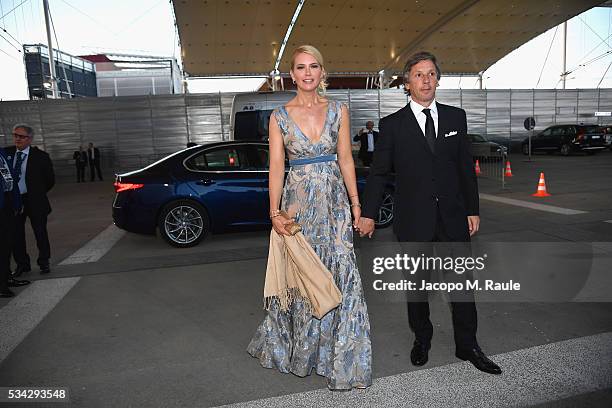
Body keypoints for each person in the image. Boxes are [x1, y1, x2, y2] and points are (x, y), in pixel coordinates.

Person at [358, 51, 501, 375]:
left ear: (438, 79)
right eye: (419, 75)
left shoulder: (455, 118)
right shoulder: (392, 126)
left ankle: (468, 345)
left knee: (462, 286)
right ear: (407, 83)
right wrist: (368, 214)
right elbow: (379, 173)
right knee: (417, 288)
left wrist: (472, 209)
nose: (426, 80)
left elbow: (465, 168)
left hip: (453, 218)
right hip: (413, 221)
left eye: (431, 74)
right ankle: (422, 338)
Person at [247, 45, 372, 390]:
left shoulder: (339, 111)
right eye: (301, 67)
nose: (307, 72)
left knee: (343, 274)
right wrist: (274, 212)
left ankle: (346, 359)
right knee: (306, 279)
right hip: (298, 207)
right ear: (292, 74)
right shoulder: (279, 117)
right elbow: (276, 166)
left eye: (314, 66)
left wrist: (356, 204)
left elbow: (346, 159)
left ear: (322, 72)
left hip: (335, 207)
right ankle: (306, 352)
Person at [6, 124, 55, 276]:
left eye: (21, 136)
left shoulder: (41, 157)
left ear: (30, 138)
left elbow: (49, 180)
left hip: (35, 201)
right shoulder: (6, 154)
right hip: (14, 201)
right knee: (16, 234)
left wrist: (37, 193)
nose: (17, 139)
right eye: (15, 135)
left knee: (40, 232)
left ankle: (44, 262)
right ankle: (22, 264)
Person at [0, 147, 30, 297]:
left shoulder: (2, 153)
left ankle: (6, 278)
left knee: (7, 245)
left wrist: (17, 203)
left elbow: (9, 177)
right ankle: (1, 286)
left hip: (7, 203)